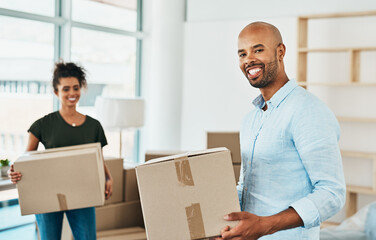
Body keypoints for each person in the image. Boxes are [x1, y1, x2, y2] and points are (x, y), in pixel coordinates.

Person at [216, 22, 346, 239]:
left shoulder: (308, 111)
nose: (249, 59)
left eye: (258, 50)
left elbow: (332, 194)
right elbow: (246, 188)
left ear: (280, 52)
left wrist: (265, 225)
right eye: (242, 54)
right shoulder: (250, 120)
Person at [9, 62, 113, 240]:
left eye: (76, 88)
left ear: (81, 89)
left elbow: (98, 159)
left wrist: (109, 178)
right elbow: (26, 161)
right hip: (48, 195)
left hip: (83, 193)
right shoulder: (43, 125)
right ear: (56, 92)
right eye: (66, 89)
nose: (72, 93)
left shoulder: (94, 126)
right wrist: (16, 173)